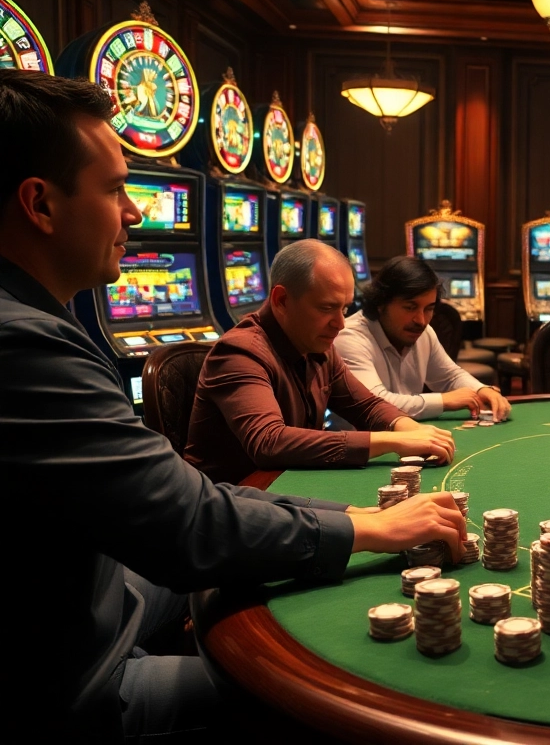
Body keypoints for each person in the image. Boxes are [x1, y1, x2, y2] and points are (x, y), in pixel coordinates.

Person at [0, 69, 467, 742]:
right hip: (74, 684)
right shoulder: (24, 347)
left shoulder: (41, 324)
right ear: (41, 205)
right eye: (113, 189)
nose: (134, 212)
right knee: (339, 694)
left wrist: (359, 507)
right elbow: (192, 521)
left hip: (104, 587)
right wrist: (373, 529)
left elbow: (185, 498)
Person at [184, 240, 456, 485]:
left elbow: (366, 405)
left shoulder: (317, 345)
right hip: (230, 504)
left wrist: (410, 429)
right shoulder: (239, 352)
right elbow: (269, 442)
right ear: (281, 300)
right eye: (327, 308)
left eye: (345, 309)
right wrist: (392, 441)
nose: (339, 324)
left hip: (286, 489)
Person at [334, 255, 511, 422]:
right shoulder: (349, 337)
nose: (421, 320)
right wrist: (444, 401)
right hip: (357, 447)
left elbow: (449, 376)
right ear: (381, 304)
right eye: (410, 307)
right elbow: (375, 403)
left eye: (428, 309)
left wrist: (481, 389)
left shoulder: (423, 333)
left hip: (402, 436)